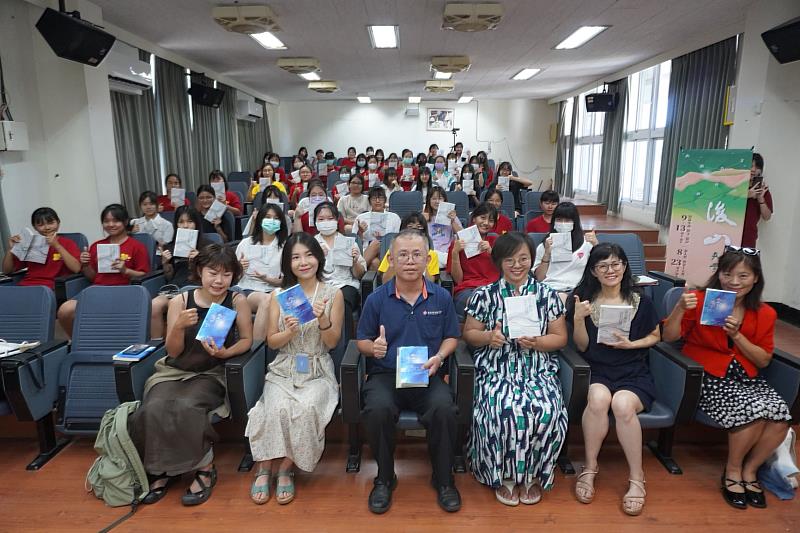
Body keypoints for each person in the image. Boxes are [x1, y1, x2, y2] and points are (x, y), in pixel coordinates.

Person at [662, 246, 790, 509]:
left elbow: (763, 359)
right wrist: (679, 308)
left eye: (743, 276)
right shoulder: (699, 300)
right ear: (718, 274)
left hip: (746, 376)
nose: (734, 282)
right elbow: (669, 337)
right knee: (753, 411)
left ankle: (750, 471)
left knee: (780, 415)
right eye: (728, 274)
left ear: (756, 278)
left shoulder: (765, 313)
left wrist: (737, 335)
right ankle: (732, 471)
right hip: (708, 375)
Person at [130, 244, 252, 507]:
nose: (219, 280)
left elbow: (247, 340)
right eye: (212, 273)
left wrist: (225, 352)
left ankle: (204, 468)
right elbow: (173, 351)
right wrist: (177, 327)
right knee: (153, 407)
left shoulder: (237, 300)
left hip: (212, 372)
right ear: (200, 271)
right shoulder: (180, 302)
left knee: (187, 406)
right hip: (175, 370)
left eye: (226, 274)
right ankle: (162, 469)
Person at [356, 229, 462, 514]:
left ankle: (443, 479)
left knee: (444, 409)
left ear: (428, 259)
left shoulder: (440, 297)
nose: (410, 261)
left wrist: (440, 356)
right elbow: (362, 340)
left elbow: (452, 336)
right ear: (390, 259)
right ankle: (384, 477)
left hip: (427, 373)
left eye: (417, 255)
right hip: (385, 374)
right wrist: (372, 349)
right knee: (377, 409)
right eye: (403, 255)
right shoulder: (377, 299)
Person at [463, 232, 568, 507]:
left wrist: (538, 342)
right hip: (498, 369)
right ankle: (505, 475)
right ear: (499, 262)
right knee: (503, 409)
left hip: (537, 369)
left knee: (548, 411)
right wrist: (488, 337)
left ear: (532, 260)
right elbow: (469, 333)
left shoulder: (546, 295)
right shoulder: (484, 295)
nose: (517, 265)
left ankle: (532, 474)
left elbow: (560, 338)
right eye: (510, 259)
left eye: (523, 258)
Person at [245, 233, 344, 505]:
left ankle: (286, 468)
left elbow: (332, 342)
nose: (303, 262)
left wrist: (322, 319)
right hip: (285, 367)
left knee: (307, 408)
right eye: (296, 257)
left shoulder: (333, 294)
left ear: (319, 258)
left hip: (317, 369)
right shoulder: (279, 295)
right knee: (273, 408)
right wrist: (288, 331)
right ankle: (264, 468)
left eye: (309, 255)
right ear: (287, 262)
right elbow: (272, 342)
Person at [568, 243, 660, 516]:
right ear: (594, 271)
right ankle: (590, 467)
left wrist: (633, 345)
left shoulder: (640, 300)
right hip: (598, 370)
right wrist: (579, 319)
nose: (611, 270)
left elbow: (656, 336)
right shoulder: (582, 299)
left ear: (624, 266)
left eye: (616, 263)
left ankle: (636, 478)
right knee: (598, 399)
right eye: (603, 266)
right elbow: (582, 347)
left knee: (622, 405)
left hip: (634, 372)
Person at [56, 204, 150, 335]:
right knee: (65, 310)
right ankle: (78, 341)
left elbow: (144, 275)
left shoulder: (137, 246)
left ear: (125, 221)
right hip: (97, 289)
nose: (111, 224)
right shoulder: (96, 246)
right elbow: (92, 277)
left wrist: (125, 270)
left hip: (124, 290)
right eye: (106, 221)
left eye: (115, 221)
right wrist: (85, 264)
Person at [150, 206, 210, 339]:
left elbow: (214, 275)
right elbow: (169, 276)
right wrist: (166, 264)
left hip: (198, 288)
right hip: (175, 289)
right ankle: (156, 347)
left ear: (196, 223)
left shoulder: (208, 247)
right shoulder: (170, 246)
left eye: (189, 222)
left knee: (176, 304)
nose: (186, 226)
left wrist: (200, 260)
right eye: (181, 222)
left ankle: (173, 345)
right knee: (154, 305)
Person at [313, 201, 366, 335]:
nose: (326, 222)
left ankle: (346, 346)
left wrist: (354, 261)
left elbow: (359, 275)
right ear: (315, 222)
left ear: (337, 221)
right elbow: (304, 273)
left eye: (330, 219)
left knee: (342, 299)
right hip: (319, 286)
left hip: (345, 285)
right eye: (321, 219)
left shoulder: (348, 242)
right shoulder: (310, 244)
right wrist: (316, 258)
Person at [533, 201, 598, 301]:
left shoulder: (586, 244)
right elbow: (539, 278)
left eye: (567, 220)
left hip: (576, 291)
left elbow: (599, 268)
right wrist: (547, 254)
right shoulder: (544, 245)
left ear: (575, 222)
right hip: (549, 289)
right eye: (559, 219)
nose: (563, 223)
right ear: (554, 222)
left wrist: (596, 245)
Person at [3, 207, 80, 289]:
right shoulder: (30, 243)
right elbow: (7, 271)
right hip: (26, 286)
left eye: (51, 223)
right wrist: (11, 249)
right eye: (41, 225)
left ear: (58, 223)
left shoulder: (67, 243)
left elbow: (77, 269)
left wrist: (57, 245)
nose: (47, 227)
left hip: (51, 287)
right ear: (35, 227)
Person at [447, 202, 500, 320]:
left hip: (494, 287)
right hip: (468, 289)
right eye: (482, 218)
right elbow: (458, 280)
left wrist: (492, 252)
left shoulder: (496, 241)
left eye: (491, 220)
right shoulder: (457, 243)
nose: (486, 223)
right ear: (474, 218)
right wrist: (455, 253)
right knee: (479, 300)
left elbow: (505, 270)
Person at [236, 203, 287, 316]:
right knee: (267, 300)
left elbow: (284, 281)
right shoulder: (245, 244)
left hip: (274, 289)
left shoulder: (285, 246)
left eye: (276, 218)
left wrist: (266, 279)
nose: (272, 221)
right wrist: (240, 268)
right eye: (268, 217)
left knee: (295, 302)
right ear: (260, 220)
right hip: (248, 289)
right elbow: (233, 278)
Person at [377, 212, 439, 282]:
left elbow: (430, 282)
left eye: (419, 227)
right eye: (410, 227)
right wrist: (394, 262)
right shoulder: (393, 252)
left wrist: (423, 262)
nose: (414, 231)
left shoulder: (431, 255)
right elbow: (385, 281)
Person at [354, 186, 402, 270]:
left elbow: (397, 240)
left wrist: (383, 239)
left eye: (380, 198)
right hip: (366, 250)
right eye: (374, 198)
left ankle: (359, 270)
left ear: (385, 200)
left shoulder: (394, 217)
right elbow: (355, 243)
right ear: (369, 201)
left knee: (378, 243)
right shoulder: (361, 218)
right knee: (374, 263)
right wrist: (361, 232)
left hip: (387, 250)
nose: (377, 201)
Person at [423, 187, 463, 268]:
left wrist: (452, 221)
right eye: (434, 199)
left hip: (447, 253)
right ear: (429, 200)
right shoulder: (423, 217)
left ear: (444, 200)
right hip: (430, 251)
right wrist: (422, 222)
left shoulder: (452, 216)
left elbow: (462, 236)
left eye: (440, 198)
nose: (437, 201)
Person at [742, 153, 773, 248]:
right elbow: (725, 201)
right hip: (729, 234)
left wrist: (761, 198)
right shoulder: (736, 185)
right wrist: (746, 195)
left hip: (749, 238)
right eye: (750, 166)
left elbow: (767, 217)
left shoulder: (763, 190)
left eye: (757, 167)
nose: (753, 170)